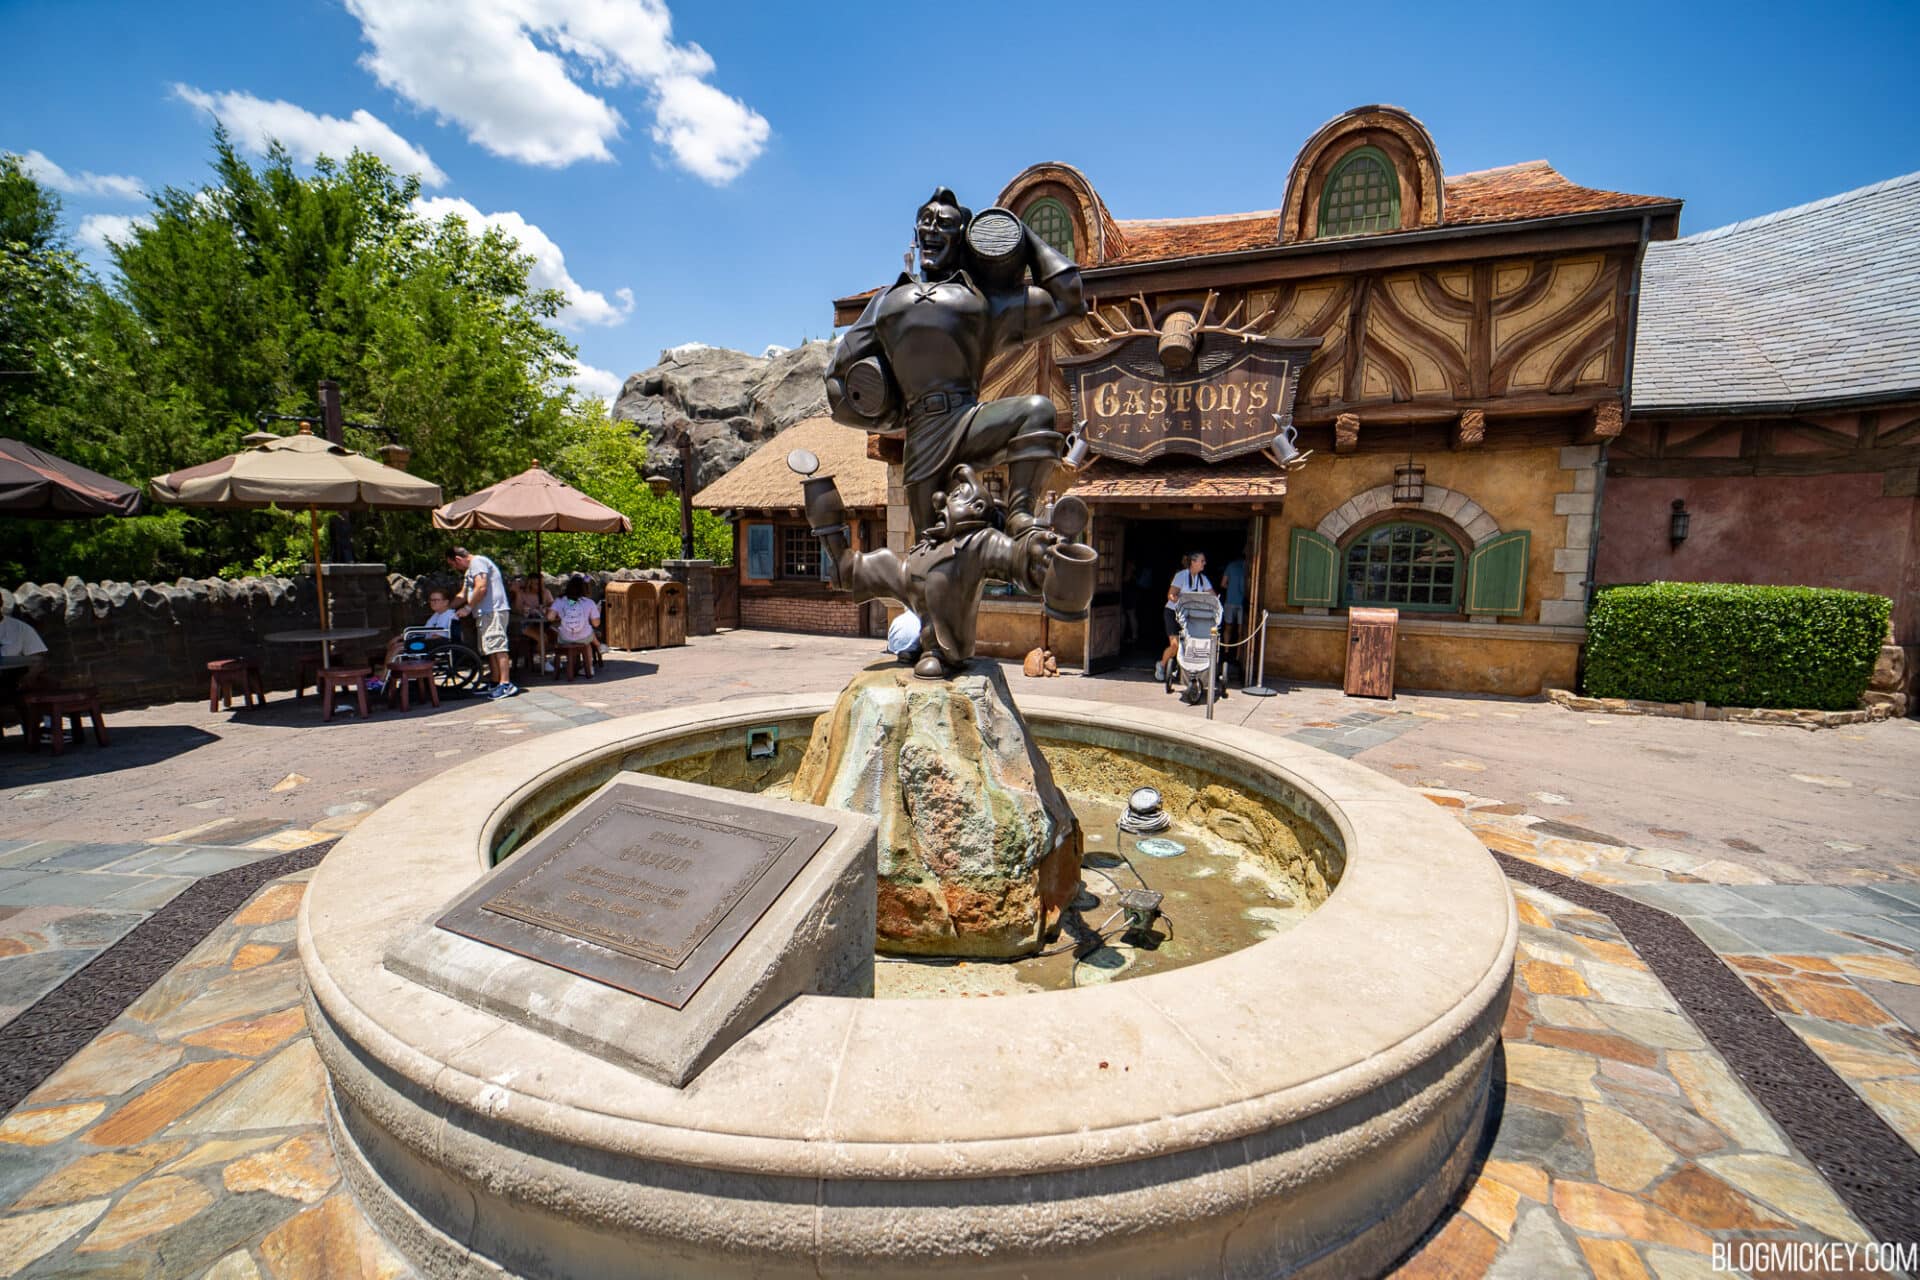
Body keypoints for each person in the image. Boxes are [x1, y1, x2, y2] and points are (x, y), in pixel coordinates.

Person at [826, 188, 1085, 543]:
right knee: (931, 552)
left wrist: (1022, 235)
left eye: (943, 224)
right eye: (925, 223)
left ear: (962, 236)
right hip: (921, 433)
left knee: (1038, 410)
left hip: (968, 418)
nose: (931, 230)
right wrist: (887, 417)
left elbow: (1068, 299)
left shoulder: (982, 302)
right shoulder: (887, 301)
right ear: (916, 235)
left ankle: (1020, 516)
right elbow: (837, 377)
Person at [448, 546, 515, 698]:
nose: (454, 568)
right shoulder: (469, 571)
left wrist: (467, 608)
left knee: (498, 647)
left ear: (458, 559)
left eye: (453, 565)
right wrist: (446, 609)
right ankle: (495, 682)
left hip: (493, 611)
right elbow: (463, 594)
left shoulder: (478, 562)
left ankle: (506, 684)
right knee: (489, 648)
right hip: (483, 613)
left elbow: (481, 587)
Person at [547, 575, 602, 666]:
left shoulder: (560, 600)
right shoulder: (589, 602)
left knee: (558, 633)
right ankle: (588, 668)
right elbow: (596, 624)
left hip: (565, 638)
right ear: (584, 588)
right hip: (584, 638)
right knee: (587, 641)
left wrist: (561, 615)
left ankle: (571, 665)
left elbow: (550, 618)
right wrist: (598, 614)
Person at [510, 574, 556, 675]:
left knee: (558, 634)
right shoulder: (522, 594)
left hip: (543, 623)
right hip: (526, 624)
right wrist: (517, 594)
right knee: (542, 637)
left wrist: (546, 608)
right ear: (530, 584)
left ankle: (556, 660)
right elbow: (518, 610)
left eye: (541, 583)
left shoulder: (546, 592)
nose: (540, 586)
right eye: (536, 584)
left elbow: (553, 605)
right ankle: (544, 662)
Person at [1220, 552, 1249, 656]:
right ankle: (1238, 654)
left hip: (1230, 601)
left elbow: (1223, 584)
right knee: (1241, 629)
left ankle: (1227, 650)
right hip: (1242, 602)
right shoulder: (1247, 566)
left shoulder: (1230, 566)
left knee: (1228, 627)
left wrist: (1231, 588)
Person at [1155, 583, 1182, 683]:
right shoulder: (1181, 578)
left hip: (1191, 614)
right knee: (1175, 645)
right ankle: (1162, 664)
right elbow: (1171, 595)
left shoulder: (1202, 581)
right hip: (1173, 612)